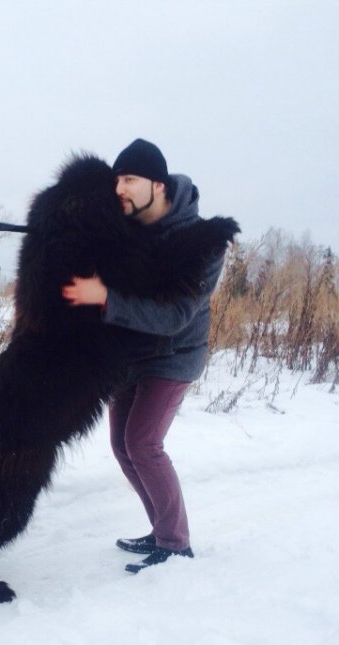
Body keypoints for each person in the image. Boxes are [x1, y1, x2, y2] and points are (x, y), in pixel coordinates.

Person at [62, 138, 233, 574]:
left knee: (143, 443)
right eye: (116, 179)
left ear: (158, 185)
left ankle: (175, 544)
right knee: (122, 446)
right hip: (133, 355)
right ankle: (161, 529)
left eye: (129, 179)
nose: (119, 188)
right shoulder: (128, 230)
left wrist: (105, 298)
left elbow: (175, 316)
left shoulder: (203, 243)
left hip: (175, 355)